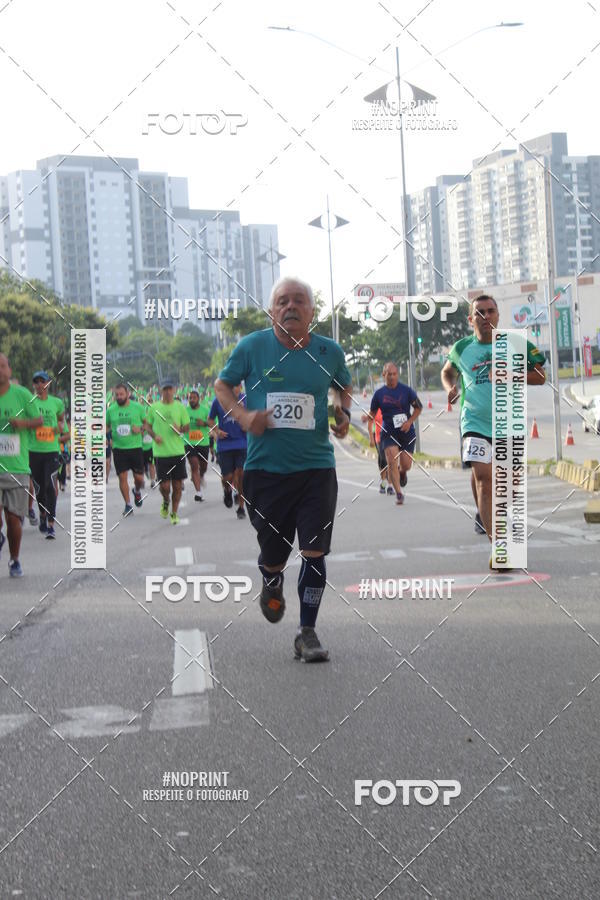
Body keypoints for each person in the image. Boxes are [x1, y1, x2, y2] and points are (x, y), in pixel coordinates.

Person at [214, 275, 352, 663]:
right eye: (282, 302)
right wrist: (243, 417)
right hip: (266, 471)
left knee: (314, 551)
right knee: (275, 554)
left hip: (316, 469)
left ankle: (307, 631)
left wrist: (343, 412)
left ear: (311, 311)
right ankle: (271, 579)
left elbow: (343, 386)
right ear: (272, 310)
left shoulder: (329, 352)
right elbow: (222, 386)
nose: (290, 307)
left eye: (298, 301)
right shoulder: (252, 347)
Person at [441, 294, 546, 568]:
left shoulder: (514, 343)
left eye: (491, 311)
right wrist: (450, 388)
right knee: (485, 481)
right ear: (471, 318)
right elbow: (447, 372)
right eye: (480, 312)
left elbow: (540, 375)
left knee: (509, 486)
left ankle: (495, 516)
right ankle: (499, 547)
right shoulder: (462, 347)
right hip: (474, 422)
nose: (486, 317)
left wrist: (512, 374)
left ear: (498, 315)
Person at [0, 353, 43, 576]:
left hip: (16, 467)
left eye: (2, 366)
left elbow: (39, 421)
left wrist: (22, 423)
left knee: (14, 519)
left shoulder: (22, 394)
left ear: (9, 370)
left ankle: (14, 559)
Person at [368, 362, 422, 506]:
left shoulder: (406, 390)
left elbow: (418, 408)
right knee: (392, 462)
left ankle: (402, 472)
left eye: (394, 374)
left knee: (406, 465)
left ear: (397, 374)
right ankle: (399, 493)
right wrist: (370, 435)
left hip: (406, 432)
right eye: (389, 374)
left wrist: (410, 421)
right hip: (389, 432)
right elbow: (371, 415)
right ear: (384, 375)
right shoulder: (379, 394)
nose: (392, 377)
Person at [144, 378, 190, 525]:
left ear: (174, 390)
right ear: (160, 390)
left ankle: (174, 513)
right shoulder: (154, 407)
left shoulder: (180, 407)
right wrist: (154, 436)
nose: (168, 392)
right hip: (161, 453)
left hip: (177, 452)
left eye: (170, 389)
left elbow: (187, 427)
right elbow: (147, 426)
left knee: (177, 486)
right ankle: (165, 501)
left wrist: (180, 429)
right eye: (165, 389)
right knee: (164, 486)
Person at [28, 370, 65, 540]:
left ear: (48, 384)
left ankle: (51, 524)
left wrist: (60, 428)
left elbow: (61, 421)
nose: (39, 385)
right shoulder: (29, 403)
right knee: (39, 488)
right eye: (36, 382)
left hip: (51, 451)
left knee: (50, 486)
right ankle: (42, 513)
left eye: (42, 381)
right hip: (34, 451)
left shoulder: (57, 402)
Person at [106, 383, 147, 517]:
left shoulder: (138, 408)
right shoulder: (111, 410)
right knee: (122, 477)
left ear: (127, 394)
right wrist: (105, 437)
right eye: (116, 395)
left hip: (135, 447)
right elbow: (106, 426)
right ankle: (128, 504)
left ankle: (137, 490)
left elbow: (147, 424)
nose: (119, 397)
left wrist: (140, 429)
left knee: (139, 478)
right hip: (119, 449)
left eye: (121, 394)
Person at [208, 386, 248, 519]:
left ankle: (241, 507)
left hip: (242, 443)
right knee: (228, 477)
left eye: (236, 385)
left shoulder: (246, 400)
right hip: (225, 445)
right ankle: (227, 490)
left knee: (240, 475)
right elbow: (210, 420)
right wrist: (217, 431)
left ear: (240, 387)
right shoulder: (218, 400)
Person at [185, 389, 211, 502]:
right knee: (194, 465)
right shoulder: (184, 411)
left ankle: (201, 476)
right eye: (190, 398)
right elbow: (179, 424)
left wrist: (204, 423)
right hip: (189, 442)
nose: (191, 400)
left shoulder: (205, 410)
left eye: (194, 398)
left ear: (198, 399)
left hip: (203, 442)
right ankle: (198, 493)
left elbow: (213, 422)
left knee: (203, 466)